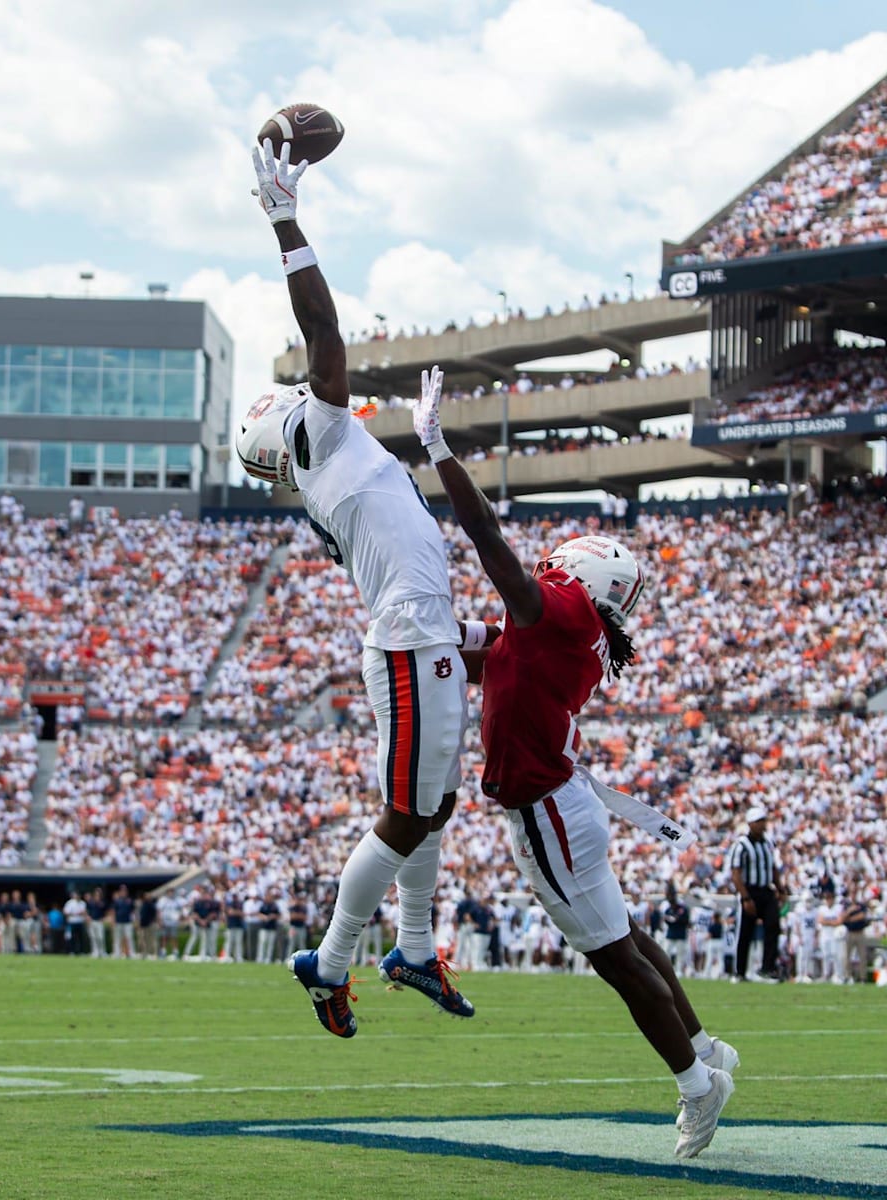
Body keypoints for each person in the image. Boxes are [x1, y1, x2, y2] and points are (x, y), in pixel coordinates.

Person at [411, 365, 737, 1159]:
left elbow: (495, 552)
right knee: (625, 938)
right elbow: (492, 647)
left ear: (580, 578)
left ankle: (698, 1083)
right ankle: (704, 1044)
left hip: (548, 810)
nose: (548, 571)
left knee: (616, 960)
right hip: (564, 804)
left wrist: (440, 453)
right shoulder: (576, 630)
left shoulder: (563, 610)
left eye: (560, 568)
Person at [241, 137, 472, 1038]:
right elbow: (325, 335)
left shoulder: (330, 467)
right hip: (411, 642)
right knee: (409, 809)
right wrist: (285, 221)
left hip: (424, 635)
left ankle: (411, 945)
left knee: (434, 803)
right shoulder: (328, 441)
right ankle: (330, 958)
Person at [728, 805, 786, 983]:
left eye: (764, 821)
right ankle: (739, 971)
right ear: (751, 824)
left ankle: (767, 969)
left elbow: (773, 868)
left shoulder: (767, 843)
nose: (763, 825)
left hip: (766, 890)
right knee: (745, 931)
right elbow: (736, 873)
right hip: (750, 890)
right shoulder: (741, 845)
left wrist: (781, 889)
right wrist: (745, 897)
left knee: (773, 927)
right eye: (759, 822)